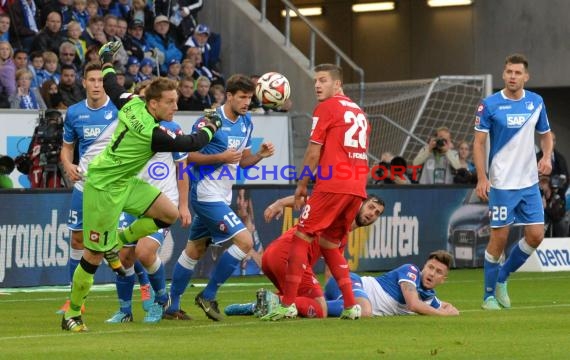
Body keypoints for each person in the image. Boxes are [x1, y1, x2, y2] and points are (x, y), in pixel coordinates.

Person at [60, 41, 221, 332]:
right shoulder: (152, 133)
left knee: (169, 214)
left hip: (126, 183)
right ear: (154, 103)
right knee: (93, 255)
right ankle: (71, 313)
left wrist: (107, 57)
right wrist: (212, 126)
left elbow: (110, 83)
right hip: (102, 188)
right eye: (170, 102)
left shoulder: (131, 101)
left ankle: (119, 239)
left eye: (176, 100)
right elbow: (192, 143)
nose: (176, 106)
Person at [262, 63, 370, 321]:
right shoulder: (359, 112)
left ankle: (287, 303)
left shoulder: (326, 107)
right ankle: (351, 305)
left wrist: (302, 185)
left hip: (333, 183)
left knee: (302, 236)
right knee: (330, 244)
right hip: (357, 187)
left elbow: (313, 151)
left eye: (323, 80)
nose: (318, 86)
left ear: (337, 84)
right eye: (315, 82)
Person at [164, 74, 275, 321]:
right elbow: (187, 156)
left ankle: (171, 306)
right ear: (229, 96)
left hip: (222, 196)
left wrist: (260, 155)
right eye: (243, 97)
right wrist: (220, 158)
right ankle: (208, 294)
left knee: (195, 249)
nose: (247, 102)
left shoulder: (246, 123)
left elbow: (243, 162)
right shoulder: (210, 120)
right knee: (245, 241)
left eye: (250, 98)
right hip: (205, 193)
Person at [105, 80, 191, 324]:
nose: (174, 106)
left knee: (145, 251)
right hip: (133, 201)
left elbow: (182, 170)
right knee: (123, 257)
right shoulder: (130, 126)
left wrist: (183, 205)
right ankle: (125, 311)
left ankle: (160, 299)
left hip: (162, 203)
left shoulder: (173, 129)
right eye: (170, 101)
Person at [473, 53, 553, 311]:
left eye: (517, 73)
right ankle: (487, 297)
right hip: (502, 184)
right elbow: (479, 142)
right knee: (499, 240)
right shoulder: (489, 104)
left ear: (526, 77)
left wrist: (547, 156)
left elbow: (546, 135)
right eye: (509, 72)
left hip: (529, 183)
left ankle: (502, 278)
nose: (512, 77)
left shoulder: (536, 102)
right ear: (503, 74)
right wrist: (482, 177)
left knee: (536, 235)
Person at [224, 194, 385, 318]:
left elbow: (332, 272)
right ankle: (272, 303)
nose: (372, 214)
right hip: (287, 257)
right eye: (370, 207)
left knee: (303, 299)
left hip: (274, 256)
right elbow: (310, 199)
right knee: (320, 309)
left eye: (377, 213)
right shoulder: (339, 211)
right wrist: (280, 203)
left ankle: (255, 306)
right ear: (361, 203)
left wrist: (320, 294)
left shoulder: (342, 235)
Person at [56, 61, 119, 315]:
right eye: (92, 80)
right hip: (84, 185)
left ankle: (137, 303)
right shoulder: (74, 112)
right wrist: (67, 165)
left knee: (121, 249)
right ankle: (75, 300)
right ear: (83, 82)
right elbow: (67, 147)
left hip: (113, 187)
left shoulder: (117, 109)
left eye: (101, 80)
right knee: (77, 238)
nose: (96, 85)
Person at [325, 250, 459, 317]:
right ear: (423, 267)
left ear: (443, 279)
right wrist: (444, 314)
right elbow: (414, 304)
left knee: (361, 311)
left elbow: (446, 307)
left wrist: (449, 309)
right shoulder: (411, 271)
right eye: (430, 267)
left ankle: (311, 304)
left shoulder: (429, 297)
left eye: (438, 272)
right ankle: (312, 305)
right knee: (364, 311)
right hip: (349, 282)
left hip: (346, 294)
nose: (432, 273)